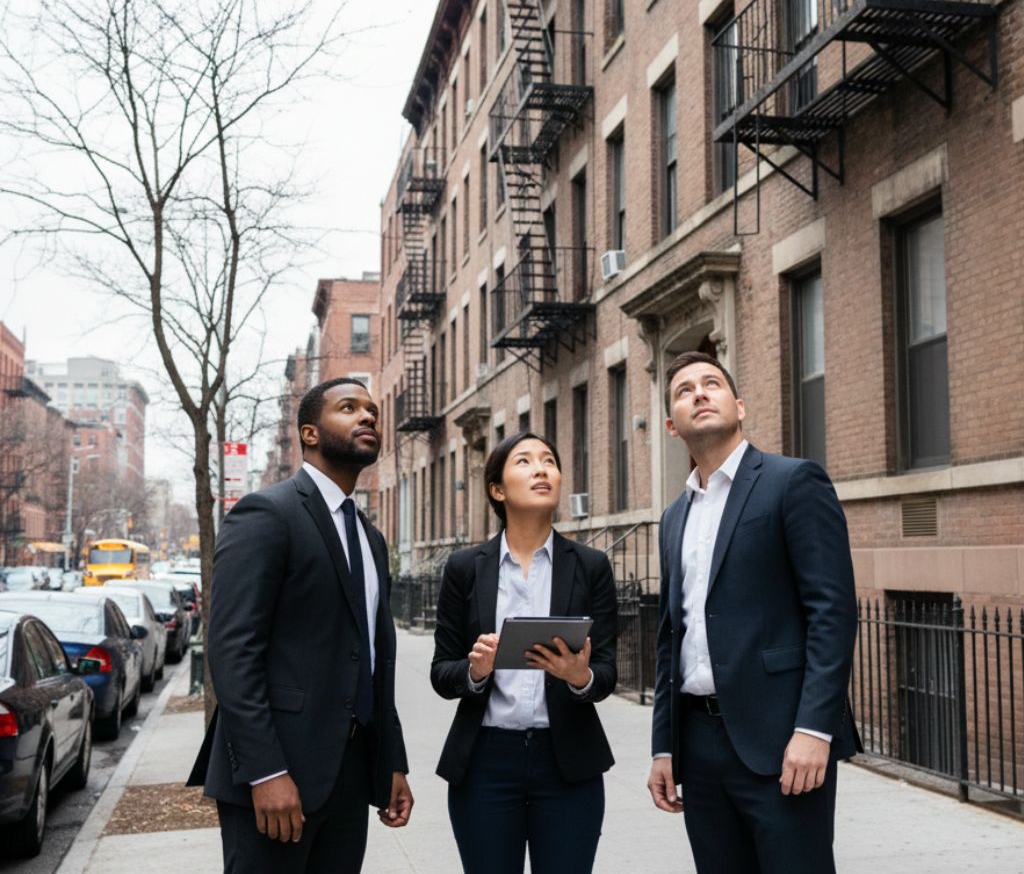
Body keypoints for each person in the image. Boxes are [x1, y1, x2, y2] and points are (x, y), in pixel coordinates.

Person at [188, 377, 413, 873]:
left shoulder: (371, 540)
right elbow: (232, 652)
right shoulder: (267, 513)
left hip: (350, 778)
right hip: (277, 775)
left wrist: (391, 761)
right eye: (349, 407)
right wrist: (265, 771)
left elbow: (375, 660)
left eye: (372, 410)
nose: (368, 417)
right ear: (309, 433)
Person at [648, 351, 859, 874]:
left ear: (738, 406)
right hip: (698, 746)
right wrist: (663, 748)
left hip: (782, 741)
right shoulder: (673, 517)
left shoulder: (792, 482)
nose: (698, 393)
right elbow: (671, 636)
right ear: (672, 427)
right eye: (683, 390)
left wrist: (815, 729)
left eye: (711, 384)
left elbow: (832, 612)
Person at [431, 431, 618, 874]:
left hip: (568, 761)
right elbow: (442, 671)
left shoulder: (590, 566)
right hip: (485, 764)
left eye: (549, 461)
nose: (541, 469)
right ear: (497, 489)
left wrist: (580, 677)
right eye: (524, 461)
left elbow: (607, 669)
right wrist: (475, 671)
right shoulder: (464, 569)